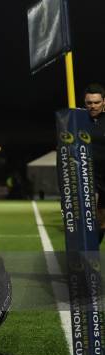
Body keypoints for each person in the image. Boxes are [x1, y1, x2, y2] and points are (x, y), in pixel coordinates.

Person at [84, 83, 105, 243]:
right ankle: (90, 262)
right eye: (89, 103)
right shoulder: (78, 121)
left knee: (101, 223)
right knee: (91, 224)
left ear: (104, 102)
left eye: (96, 102)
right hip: (90, 180)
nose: (93, 106)